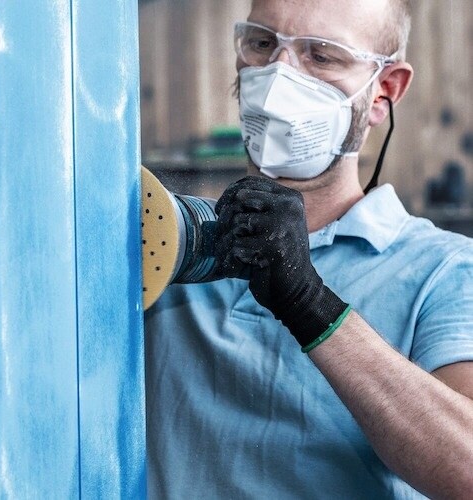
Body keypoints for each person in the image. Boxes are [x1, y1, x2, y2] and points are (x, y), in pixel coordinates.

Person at [145, 0, 473, 498]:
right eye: (262, 44)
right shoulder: (168, 241)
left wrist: (308, 302)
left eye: (321, 55)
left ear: (384, 90)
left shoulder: (445, 270)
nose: (278, 76)